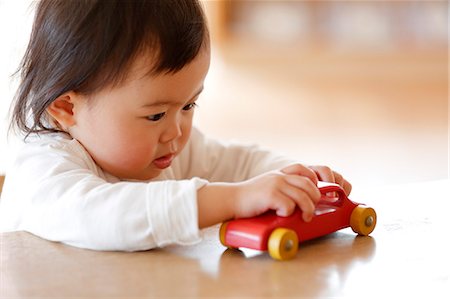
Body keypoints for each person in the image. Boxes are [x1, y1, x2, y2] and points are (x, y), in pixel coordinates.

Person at [0, 0, 351, 251]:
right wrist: (234, 198)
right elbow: (108, 215)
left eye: (188, 105)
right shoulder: (42, 170)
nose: (177, 132)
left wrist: (289, 178)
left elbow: (235, 162)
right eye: (155, 115)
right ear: (66, 107)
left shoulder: (164, 146)